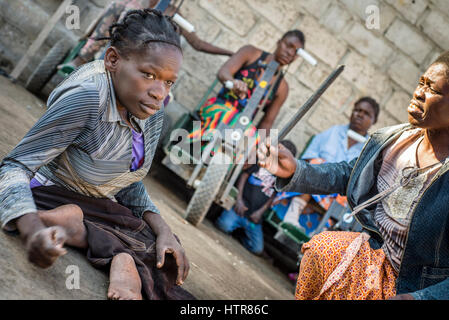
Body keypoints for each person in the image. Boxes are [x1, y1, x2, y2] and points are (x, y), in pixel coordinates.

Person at [0, 9, 194, 300]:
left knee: (161, 251)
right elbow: (14, 166)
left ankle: (75, 226)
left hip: (94, 200)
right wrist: (30, 229)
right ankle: (85, 235)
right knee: (136, 243)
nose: (159, 92)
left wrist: (164, 230)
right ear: (113, 59)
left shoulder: (151, 112)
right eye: (149, 74)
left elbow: (125, 180)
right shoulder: (87, 98)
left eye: (168, 82)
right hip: (51, 190)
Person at [257, 51, 449, 300]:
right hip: (370, 256)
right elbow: (349, 174)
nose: (419, 92)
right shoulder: (393, 140)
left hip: (409, 286)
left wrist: (419, 298)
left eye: (432, 89)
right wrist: (296, 169)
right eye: (421, 82)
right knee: (321, 249)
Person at [273, 97, 380, 236]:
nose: (360, 115)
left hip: (339, 196)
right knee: (317, 167)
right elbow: (308, 157)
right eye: (357, 110)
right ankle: (292, 216)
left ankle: (320, 233)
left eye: (366, 114)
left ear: (374, 121)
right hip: (313, 186)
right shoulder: (333, 132)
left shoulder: (369, 149)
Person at [188, 29, 305, 142]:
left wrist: (258, 146)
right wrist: (233, 82)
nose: (290, 52)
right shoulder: (251, 53)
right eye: (288, 45)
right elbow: (223, 72)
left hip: (243, 127)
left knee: (252, 143)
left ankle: (218, 157)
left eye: (295, 52)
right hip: (218, 109)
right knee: (232, 126)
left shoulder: (282, 88)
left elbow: (267, 123)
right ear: (279, 42)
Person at [63, 0, 233, 70]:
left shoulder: (172, 13)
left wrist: (231, 53)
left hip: (135, 59)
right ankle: (82, 58)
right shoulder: (133, 3)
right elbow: (105, 22)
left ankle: (108, 67)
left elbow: (198, 43)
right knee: (124, 6)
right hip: (112, 47)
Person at [215, 140, 297, 255]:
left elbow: (273, 195)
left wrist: (260, 212)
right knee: (223, 226)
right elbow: (244, 176)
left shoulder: (282, 176)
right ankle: (235, 227)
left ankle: (240, 235)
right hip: (239, 208)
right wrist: (238, 200)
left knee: (257, 249)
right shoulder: (262, 161)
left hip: (253, 217)